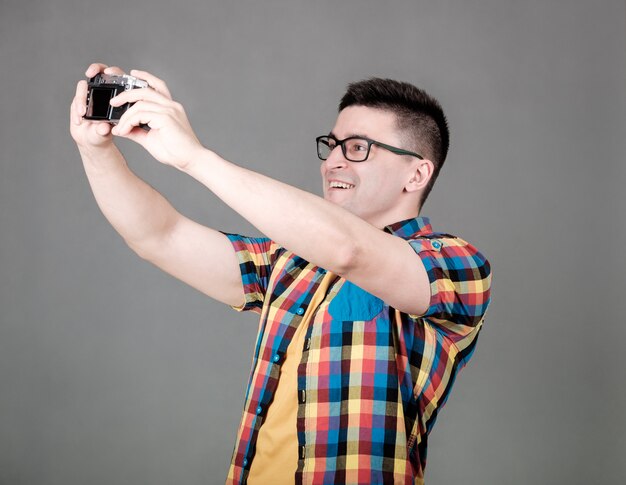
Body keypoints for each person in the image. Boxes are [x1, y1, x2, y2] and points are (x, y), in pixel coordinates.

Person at [70, 63, 492, 485]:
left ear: (417, 173)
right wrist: (96, 151)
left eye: (359, 148)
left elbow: (351, 250)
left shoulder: (457, 266)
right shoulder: (292, 264)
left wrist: (194, 158)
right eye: (333, 145)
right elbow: (159, 235)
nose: (334, 163)